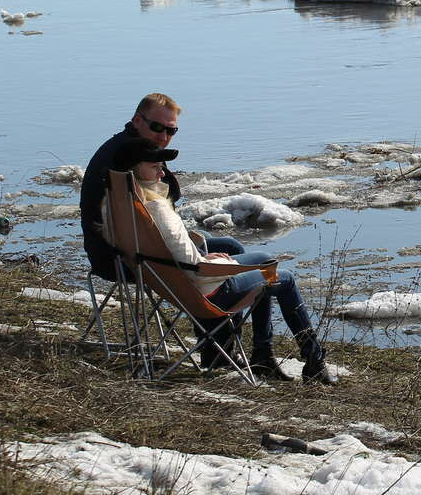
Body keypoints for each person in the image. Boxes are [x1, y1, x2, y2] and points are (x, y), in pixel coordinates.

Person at [105, 138, 337, 385]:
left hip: (172, 283)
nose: (163, 172)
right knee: (280, 275)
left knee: (252, 257)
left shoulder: (121, 204)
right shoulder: (158, 209)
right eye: (155, 167)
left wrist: (201, 257)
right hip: (207, 290)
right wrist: (207, 260)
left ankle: (255, 354)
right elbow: (195, 267)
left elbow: (172, 252)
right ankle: (313, 361)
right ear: (134, 170)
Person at [81, 93, 248, 281]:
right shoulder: (130, 160)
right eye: (157, 127)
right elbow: (151, 225)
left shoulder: (127, 149)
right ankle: (224, 304)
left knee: (216, 241)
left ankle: (225, 301)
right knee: (235, 253)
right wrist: (199, 259)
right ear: (137, 120)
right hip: (133, 260)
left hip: (112, 255)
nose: (163, 136)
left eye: (171, 131)